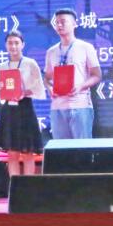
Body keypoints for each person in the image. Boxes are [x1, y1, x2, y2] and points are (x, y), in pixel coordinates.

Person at [44, 9, 101, 139]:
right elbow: (47, 78)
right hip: (57, 107)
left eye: (63, 22)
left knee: (82, 148)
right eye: (57, 22)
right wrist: (50, 88)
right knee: (61, 148)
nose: (59, 25)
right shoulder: (51, 52)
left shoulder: (86, 47)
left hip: (80, 105)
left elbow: (97, 75)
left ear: (74, 24)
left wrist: (81, 86)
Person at [0, 30, 45, 177]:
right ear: (6, 45)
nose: (13, 46)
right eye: (10, 43)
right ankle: (14, 186)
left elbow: (39, 88)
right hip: (8, 111)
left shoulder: (30, 63)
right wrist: (0, 88)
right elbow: (1, 93)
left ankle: (28, 187)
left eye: (16, 43)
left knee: (27, 152)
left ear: (23, 45)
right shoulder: (3, 66)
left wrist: (24, 92)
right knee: (12, 153)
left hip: (25, 109)